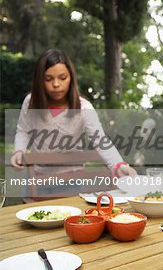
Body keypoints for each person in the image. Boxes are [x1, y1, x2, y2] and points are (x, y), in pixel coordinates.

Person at [10, 49, 137, 185]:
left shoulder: (84, 107)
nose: (56, 84)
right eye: (48, 79)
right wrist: (19, 151)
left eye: (63, 78)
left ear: (71, 78)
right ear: (39, 80)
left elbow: (100, 140)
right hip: (38, 179)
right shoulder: (31, 102)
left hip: (73, 180)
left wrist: (118, 165)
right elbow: (23, 130)